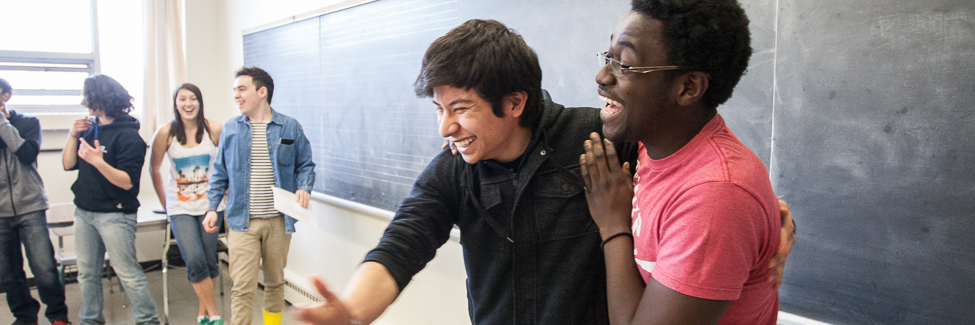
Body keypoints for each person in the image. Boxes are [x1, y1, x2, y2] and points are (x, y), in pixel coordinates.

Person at [292, 19, 795, 325]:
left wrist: (771, 219)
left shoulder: (601, 142)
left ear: (514, 102)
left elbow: (696, 168)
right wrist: (354, 309)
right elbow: (403, 244)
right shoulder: (453, 171)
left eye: (461, 109)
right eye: (438, 109)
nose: (446, 127)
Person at [579, 0, 789, 324]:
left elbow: (726, 198)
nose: (602, 75)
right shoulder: (656, 142)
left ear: (688, 87)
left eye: (625, 65)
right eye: (608, 57)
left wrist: (612, 224)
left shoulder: (716, 197)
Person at [203, 67, 316, 325]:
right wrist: (212, 208)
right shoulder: (231, 129)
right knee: (242, 286)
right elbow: (219, 172)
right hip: (243, 221)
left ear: (261, 92)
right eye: (235, 91)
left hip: (278, 220)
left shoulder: (290, 126)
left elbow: (306, 165)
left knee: (275, 282)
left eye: (242, 89)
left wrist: (304, 187)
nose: (236, 96)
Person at [61, 74, 160, 325]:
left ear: (103, 100)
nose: (85, 103)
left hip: (115, 214)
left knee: (127, 273)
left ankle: (148, 321)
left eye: (89, 98)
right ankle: (90, 320)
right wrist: (72, 135)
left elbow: (127, 181)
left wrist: (97, 161)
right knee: (87, 274)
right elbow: (68, 163)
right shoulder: (92, 127)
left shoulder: (129, 137)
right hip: (84, 211)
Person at [148, 83, 225, 325]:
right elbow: (154, 168)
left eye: (193, 99)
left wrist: (225, 192)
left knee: (209, 260)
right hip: (180, 208)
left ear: (200, 102)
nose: (188, 104)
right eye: (183, 99)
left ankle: (203, 313)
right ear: (176, 103)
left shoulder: (214, 129)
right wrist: (165, 202)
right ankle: (214, 314)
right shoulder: (165, 133)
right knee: (193, 259)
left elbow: (228, 165)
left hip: (210, 207)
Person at [0, 78, 71, 325]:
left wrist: (2, 123)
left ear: (6, 96)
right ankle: (25, 317)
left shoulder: (28, 123)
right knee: (8, 274)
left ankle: (58, 316)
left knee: (44, 268)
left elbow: (27, 153)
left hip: (30, 205)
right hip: (0, 212)